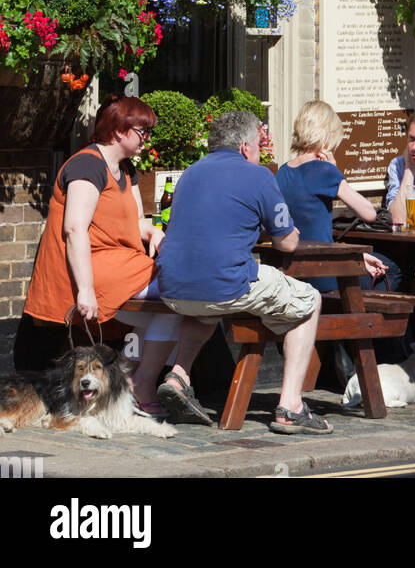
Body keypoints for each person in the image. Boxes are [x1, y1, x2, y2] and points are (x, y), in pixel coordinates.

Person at [155, 110, 331, 434]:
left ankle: (178, 375)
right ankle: (291, 406)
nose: (258, 151)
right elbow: (287, 243)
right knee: (310, 299)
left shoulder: (189, 175)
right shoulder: (259, 175)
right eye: (257, 145)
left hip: (172, 289)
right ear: (244, 147)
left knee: (202, 310)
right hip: (226, 285)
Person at [22, 95, 182, 417]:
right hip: (94, 266)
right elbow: (75, 230)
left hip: (121, 262)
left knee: (179, 303)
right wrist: (85, 289)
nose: (146, 139)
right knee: (179, 295)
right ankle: (141, 385)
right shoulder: (87, 165)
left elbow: (136, 221)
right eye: (142, 131)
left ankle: (130, 384)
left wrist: (153, 232)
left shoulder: (126, 168)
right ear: (120, 129)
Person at [275, 99, 396, 293]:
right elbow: (369, 214)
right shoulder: (324, 170)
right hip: (322, 277)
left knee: (365, 263)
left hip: (290, 272)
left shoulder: (282, 171)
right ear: (326, 138)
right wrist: (335, 172)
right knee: (394, 270)